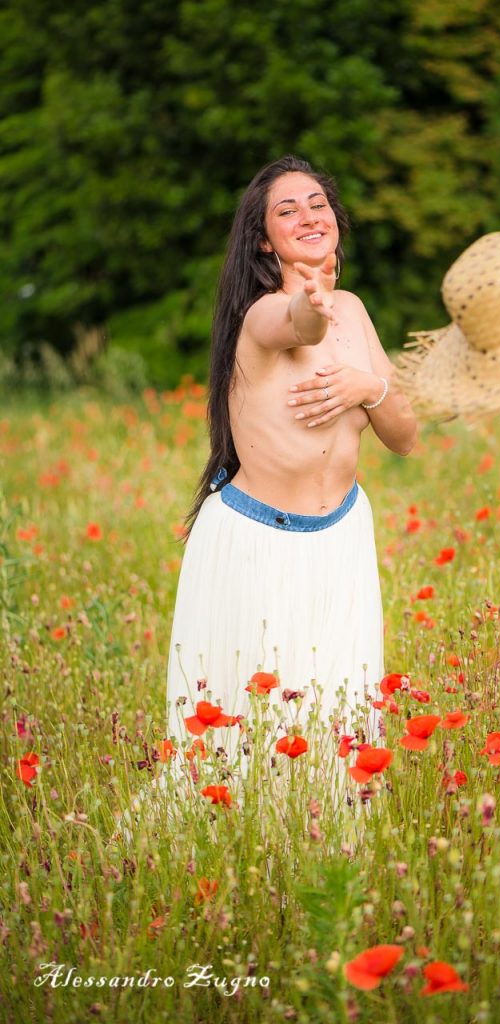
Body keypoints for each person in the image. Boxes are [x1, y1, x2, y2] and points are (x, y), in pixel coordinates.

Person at [164, 155, 418, 802]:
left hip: (341, 537)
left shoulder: (355, 312)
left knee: (341, 712)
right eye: (288, 210)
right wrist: (311, 299)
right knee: (247, 730)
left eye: (317, 204)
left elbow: (404, 436)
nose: (309, 215)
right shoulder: (262, 316)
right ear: (262, 238)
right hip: (257, 543)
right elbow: (298, 324)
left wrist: (368, 385)